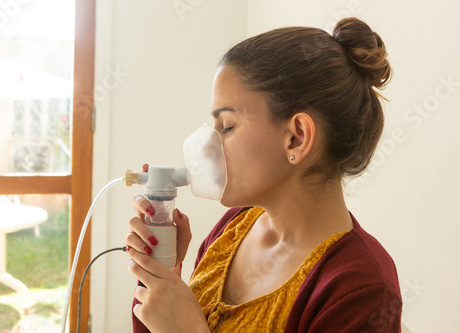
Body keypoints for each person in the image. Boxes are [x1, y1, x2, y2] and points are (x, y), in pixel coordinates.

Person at [125, 17, 402, 332]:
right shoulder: (232, 229)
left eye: (226, 126)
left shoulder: (361, 289)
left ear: (296, 137)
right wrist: (162, 275)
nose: (207, 146)